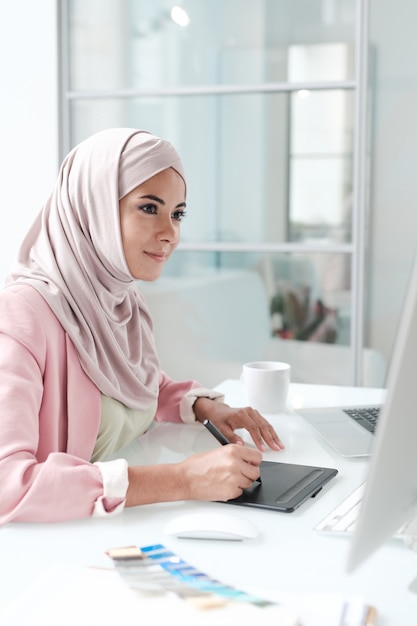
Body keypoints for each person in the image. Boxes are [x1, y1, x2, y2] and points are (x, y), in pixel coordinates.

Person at [0, 127, 284, 524]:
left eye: (178, 213)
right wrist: (183, 480)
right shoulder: (22, 314)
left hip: (115, 531)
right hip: (54, 554)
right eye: (149, 208)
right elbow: (7, 486)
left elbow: (132, 384)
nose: (170, 234)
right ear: (93, 207)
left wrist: (206, 408)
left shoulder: (120, 299)